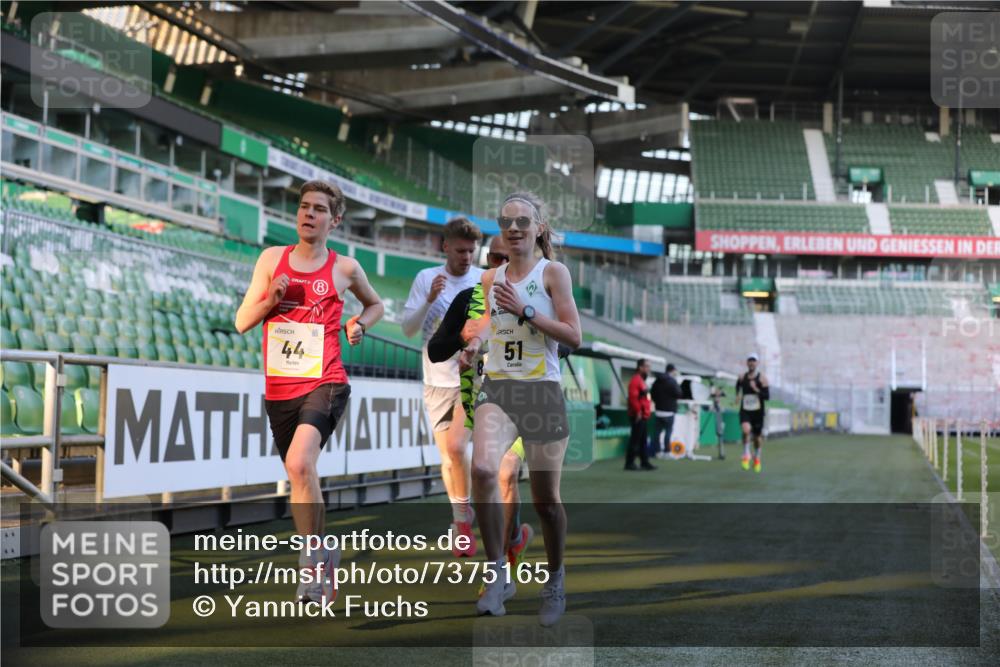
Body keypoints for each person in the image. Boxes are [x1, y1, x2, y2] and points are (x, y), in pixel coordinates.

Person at [235, 180, 384, 603]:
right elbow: (241, 321)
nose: (308, 214)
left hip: (327, 381)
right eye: (304, 206)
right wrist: (271, 300)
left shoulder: (346, 269)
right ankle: (324, 553)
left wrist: (360, 324)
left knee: (301, 462)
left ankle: (309, 565)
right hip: (279, 388)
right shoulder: (271, 260)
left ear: (334, 221)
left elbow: (375, 305)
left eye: (319, 209)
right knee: (300, 475)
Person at [464, 191, 581, 626]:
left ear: (539, 228)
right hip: (499, 388)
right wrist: (474, 345)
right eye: (506, 221)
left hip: (542, 392)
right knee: (481, 470)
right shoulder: (490, 280)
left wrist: (528, 309)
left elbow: (573, 336)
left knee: (545, 501)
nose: (514, 228)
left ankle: (555, 579)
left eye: (523, 221)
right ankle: (497, 574)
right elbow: (495, 326)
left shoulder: (554, 273)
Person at [427, 235, 534, 594]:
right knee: (458, 450)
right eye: (494, 258)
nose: (500, 265)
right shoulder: (468, 297)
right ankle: (484, 535)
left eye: (508, 258)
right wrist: (464, 334)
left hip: (523, 402)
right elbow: (436, 349)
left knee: (505, 473)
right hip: (477, 399)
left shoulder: (534, 294)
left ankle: (505, 556)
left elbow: (564, 347)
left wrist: (529, 320)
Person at [402, 217, 484, 556]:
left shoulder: (482, 280)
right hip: (435, 380)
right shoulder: (426, 279)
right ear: (445, 246)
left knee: (457, 449)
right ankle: (459, 518)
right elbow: (408, 329)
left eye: (471, 250)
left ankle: (463, 521)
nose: (466, 257)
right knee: (448, 457)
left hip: (472, 378)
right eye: (461, 250)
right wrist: (428, 299)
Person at [736, 353, 769, 473]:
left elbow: (767, 396)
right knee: (745, 430)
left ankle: (757, 457)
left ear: (757, 363)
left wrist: (756, 389)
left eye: (754, 361)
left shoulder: (762, 379)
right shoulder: (741, 377)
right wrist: (738, 396)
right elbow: (738, 386)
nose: (751, 363)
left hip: (758, 412)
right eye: (750, 360)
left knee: (757, 438)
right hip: (745, 410)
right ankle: (746, 454)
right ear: (747, 363)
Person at [625, 359, 655, 471]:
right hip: (638, 415)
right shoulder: (636, 380)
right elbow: (633, 398)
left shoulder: (641, 380)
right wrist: (638, 412)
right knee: (635, 440)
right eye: (646, 366)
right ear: (640, 367)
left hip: (643, 415)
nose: (648, 369)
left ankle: (644, 462)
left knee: (642, 440)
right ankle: (629, 463)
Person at [651, 363, 682, 460]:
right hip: (669, 411)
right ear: (673, 370)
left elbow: (652, 394)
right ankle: (667, 452)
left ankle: (657, 452)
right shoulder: (672, 381)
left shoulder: (657, 380)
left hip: (658, 410)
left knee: (657, 432)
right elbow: (678, 393)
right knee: (668, 433)